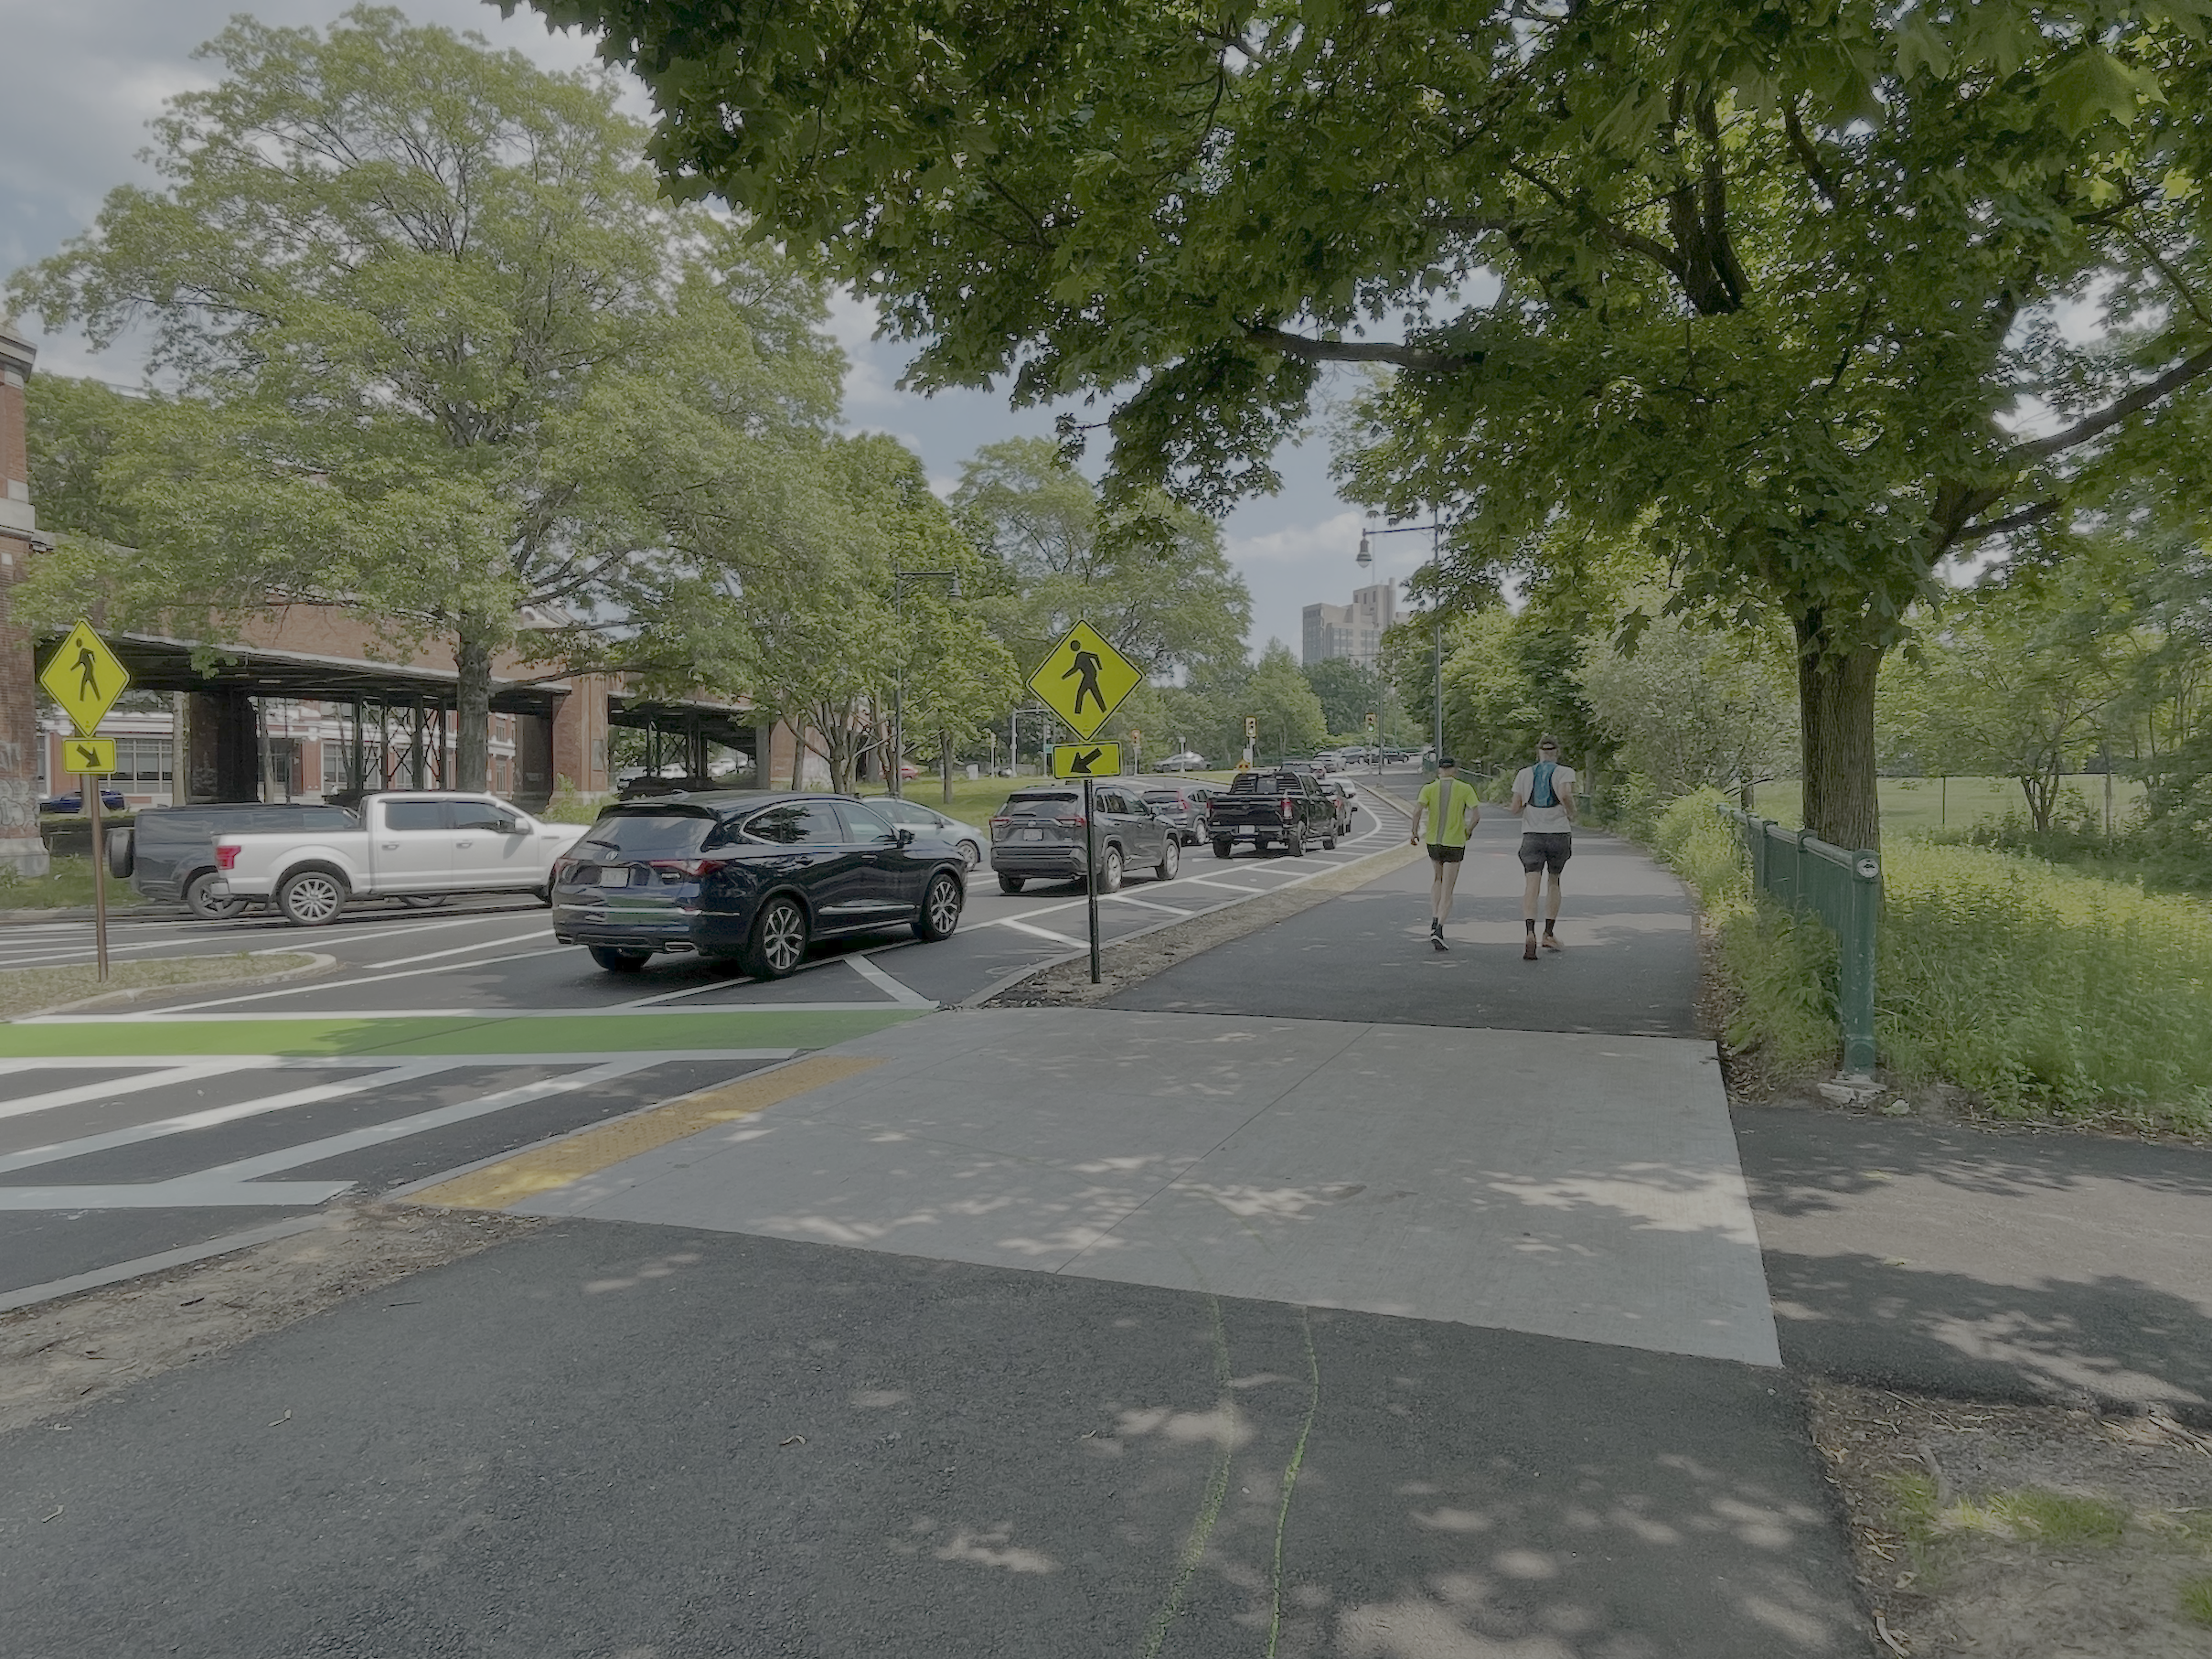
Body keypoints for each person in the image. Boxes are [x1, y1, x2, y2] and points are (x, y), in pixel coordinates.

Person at [1511, 736, 1577, 960]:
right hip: (1558, 833)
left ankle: (1529, 932)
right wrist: (1571, 811)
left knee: (1531, 883)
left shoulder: (1524, 774)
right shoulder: (1564, 772)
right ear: (1557, 752)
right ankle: (1548, 933)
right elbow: (1565, 794)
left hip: (1532, 835)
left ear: (1538, 752)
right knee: (1554, 881)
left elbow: (1514, 808)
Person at [1408, 755, 1480, 951]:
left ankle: (1434, 917)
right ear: (1454, 770)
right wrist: (1468, 831)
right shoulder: (1465, 788)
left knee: (1437, 880)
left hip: (1434, 841)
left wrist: (1414, 833)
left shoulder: (1429, 788)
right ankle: (1439, 928)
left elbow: (1416, 812)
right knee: (1449, 887)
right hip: (1455, 842)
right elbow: (1476, 815)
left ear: (1439, 770)